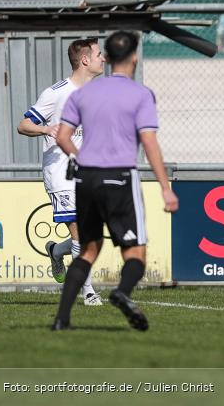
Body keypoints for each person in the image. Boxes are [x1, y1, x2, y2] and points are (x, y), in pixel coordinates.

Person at [51, 31, 178, 331]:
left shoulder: (82, 94)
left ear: (106, 57)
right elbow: (149, 142)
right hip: (120, 176)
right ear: (134, 57)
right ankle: (122, 292)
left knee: (88, 250)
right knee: (135, 253)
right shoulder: (140, 94)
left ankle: (61, 319)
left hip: (86, 178)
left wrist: (79, 159)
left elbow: (63, 137)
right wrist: (165, 188)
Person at [17, 38, 105, 306]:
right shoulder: (56, 93)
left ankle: (56, 250)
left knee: (88, 236)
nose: (104, 58)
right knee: (79, 230)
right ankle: (87, 291)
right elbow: (23, 125)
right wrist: (46, 129)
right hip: (59, 171)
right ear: (85, 60)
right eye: (99, 54)